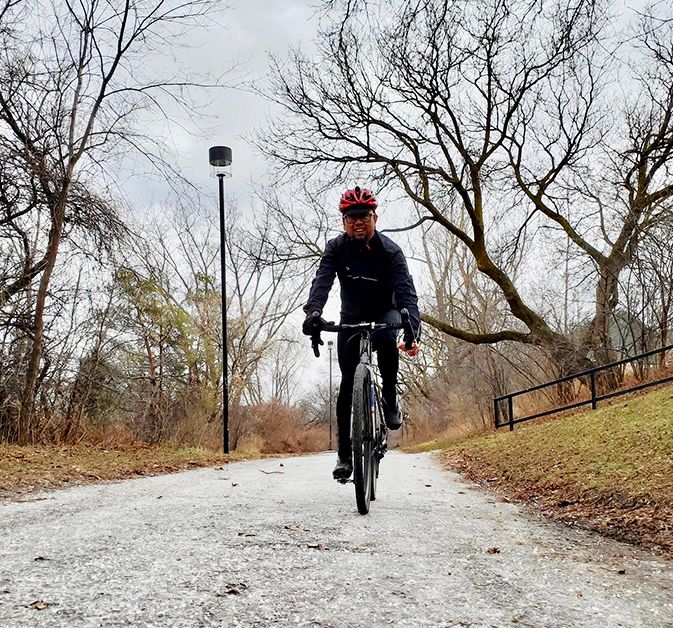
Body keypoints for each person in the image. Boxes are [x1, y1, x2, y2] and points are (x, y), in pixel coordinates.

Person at [302, 186, 421, 480]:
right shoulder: (336, 248)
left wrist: (412, 332)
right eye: (351, 217)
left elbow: (407, 294)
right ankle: (344, 455)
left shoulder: (391, 251)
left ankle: (390, 398)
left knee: (383, 339)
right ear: (344, 221)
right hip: (351, 316)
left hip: (386, 313)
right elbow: (322, 281)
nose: (358, 222)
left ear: (374, 217)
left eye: (363, 216)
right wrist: (313, 313)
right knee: (346, 383)